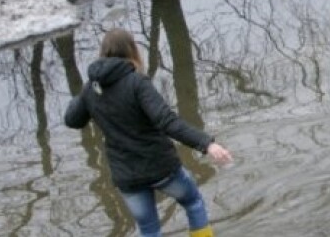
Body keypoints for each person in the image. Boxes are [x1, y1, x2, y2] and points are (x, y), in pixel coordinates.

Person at [64, 29, 233, 237]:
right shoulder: (136, 83)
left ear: (103, 52)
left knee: (148, 229)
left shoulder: (92, 88)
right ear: (132, 50)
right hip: (161, 168)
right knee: (193, 202)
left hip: (127, 176)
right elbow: (167, 121)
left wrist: (85, 92)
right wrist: (207, 144)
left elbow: (72, 120)